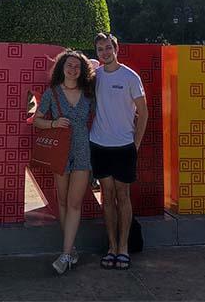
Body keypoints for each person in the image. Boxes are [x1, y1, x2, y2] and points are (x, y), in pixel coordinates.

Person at [32, 49, 97, 275]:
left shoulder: (88, 94)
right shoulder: (52, 93)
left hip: (82, 152)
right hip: (60, 152)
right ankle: (71, 249)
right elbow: (37, 121)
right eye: (69, 65)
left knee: (74, 203)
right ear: (62, 67)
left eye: (77, 66)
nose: (72, 69)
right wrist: (53, 124)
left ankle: (65, 254)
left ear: (82, 70)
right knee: (62, 200)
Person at [89, 32, 147, 270]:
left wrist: (135, 145)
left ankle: (124, 248)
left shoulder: (130, 77)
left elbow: (143, 113)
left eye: (107, 48)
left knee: (123, 197)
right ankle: (111, 247)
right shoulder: (96, 76)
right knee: (107, 197)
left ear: (116, 49)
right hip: (99, 145)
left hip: (124, 147)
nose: (104, 53)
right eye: (100, 49)